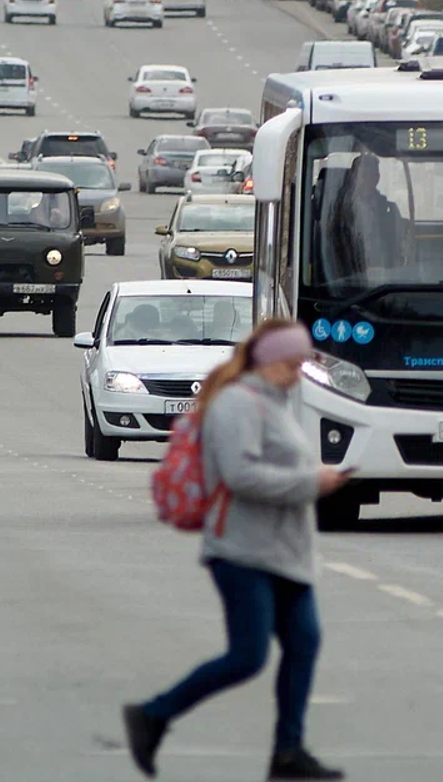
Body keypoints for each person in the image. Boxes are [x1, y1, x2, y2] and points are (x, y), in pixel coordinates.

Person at [123, 319, 352, 780]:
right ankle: (152, 715)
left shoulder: (277, 402)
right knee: (248, 656)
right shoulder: (237, 404)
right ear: (268, 362)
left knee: (304, 643)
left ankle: (288, 752)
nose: (295, 374)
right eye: (290, 364)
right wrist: (313, 481)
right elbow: (239, 475)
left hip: (285, 552)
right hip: (241, 551)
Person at [330, 153, 400, 276]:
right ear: (353, 176)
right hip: (349, 274)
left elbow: (394, 243)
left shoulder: (388, 208)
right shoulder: (338, 208)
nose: (369, 179)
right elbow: (334, 243)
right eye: (364, 175)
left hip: (382, 272)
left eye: (373, 175)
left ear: (378, 177)